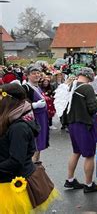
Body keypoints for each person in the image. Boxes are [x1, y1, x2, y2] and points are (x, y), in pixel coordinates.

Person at [0, 83, 59, 212]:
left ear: (8, 100)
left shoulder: (19, 127)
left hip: (10, 184)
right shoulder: (9, 118)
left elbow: (16, 161)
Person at [61, 67, 97, 193]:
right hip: (84, 124)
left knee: (76, 152)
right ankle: (89, 184)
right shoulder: (87, 87)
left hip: (72, 123)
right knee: (89, 155)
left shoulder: (70, 86)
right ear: (89, 77)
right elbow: (92, 108)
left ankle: (70, 179)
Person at [22, 65, 49, 162]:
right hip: (33, 120)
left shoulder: (38, 86)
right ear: (27, 75)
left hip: (42, 119)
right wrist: (34, 105)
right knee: (35, 146)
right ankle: (33, 172)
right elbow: (21, 105)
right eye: (33, 73)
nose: (37, 75)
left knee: (40, 145)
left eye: (38, 73)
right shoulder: (25, 88)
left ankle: (37, 167)